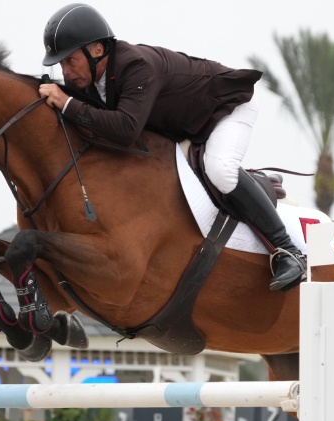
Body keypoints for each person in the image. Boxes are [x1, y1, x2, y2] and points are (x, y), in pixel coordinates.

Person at [38, 3, 306, 291]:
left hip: (226, 110)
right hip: (186, 127)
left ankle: (288, 251)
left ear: (97, 50)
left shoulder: (136, 65)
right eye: (61, 64)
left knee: (220, 170)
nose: (65, 72)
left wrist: (66, 103)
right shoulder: (89, 79)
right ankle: (251, 184)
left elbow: (126, 129)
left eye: (70, 61)